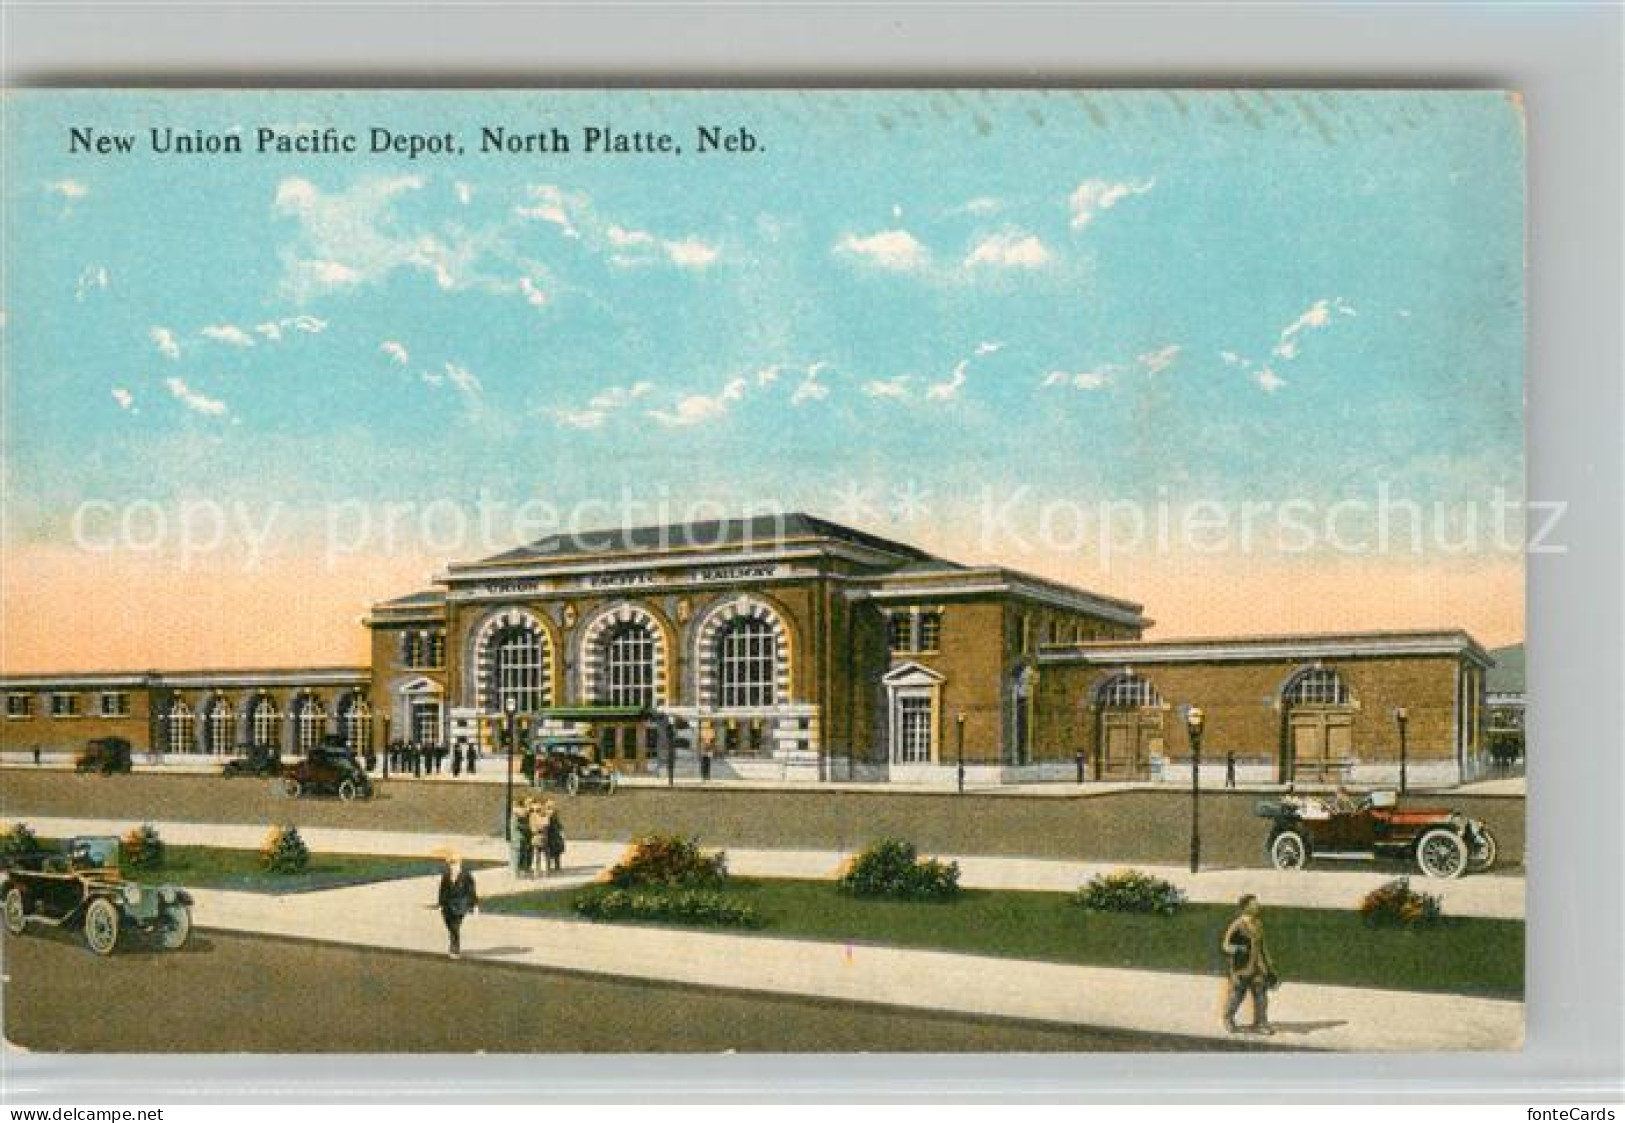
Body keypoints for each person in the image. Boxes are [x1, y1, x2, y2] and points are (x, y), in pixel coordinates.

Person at [1220, 894, 1277, 1035]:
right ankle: (1228, 1019)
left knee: (1261, 995)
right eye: (1254, 904)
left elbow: (1263, 945)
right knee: (1237, 995)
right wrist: (1238, 949)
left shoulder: (1258, 923)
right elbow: (1226, 945)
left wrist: (1269, 964)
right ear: (1246, 908)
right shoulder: (1238, 924)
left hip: (1258, 966)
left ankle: (1260, 1023)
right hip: (1242, 967)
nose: (1258, 905)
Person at [436, 853, 479, 959]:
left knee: (455, 926)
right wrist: (441, 904)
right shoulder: (446, 875)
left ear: (460, 864)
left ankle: (454, 948)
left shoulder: (466, 876)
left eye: (456, 863)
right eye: (451, 864)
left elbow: (471, 891)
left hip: (460, 905)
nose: (453, 866)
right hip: (447, 905)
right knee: (450, 926)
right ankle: (453, 944)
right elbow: (442, 891)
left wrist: (475, 905)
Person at [543, 799, 566, 874]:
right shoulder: (546, 813)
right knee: (549, 851)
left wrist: (561, 831)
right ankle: (549, 867)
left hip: (555, 835)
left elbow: (558, 824)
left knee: (556, 851)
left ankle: (556, 866)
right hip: (549, 835)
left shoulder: (554, 814)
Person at [512, 799, 534, 877]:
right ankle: (517, 872)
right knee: (519, 855)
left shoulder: (529, 813)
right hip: (519, 838)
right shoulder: (517, 813)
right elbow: (519, 825)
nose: (530, 805)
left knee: (527, 854)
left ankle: (525, 869)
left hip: (527, 838)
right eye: (528, 803)